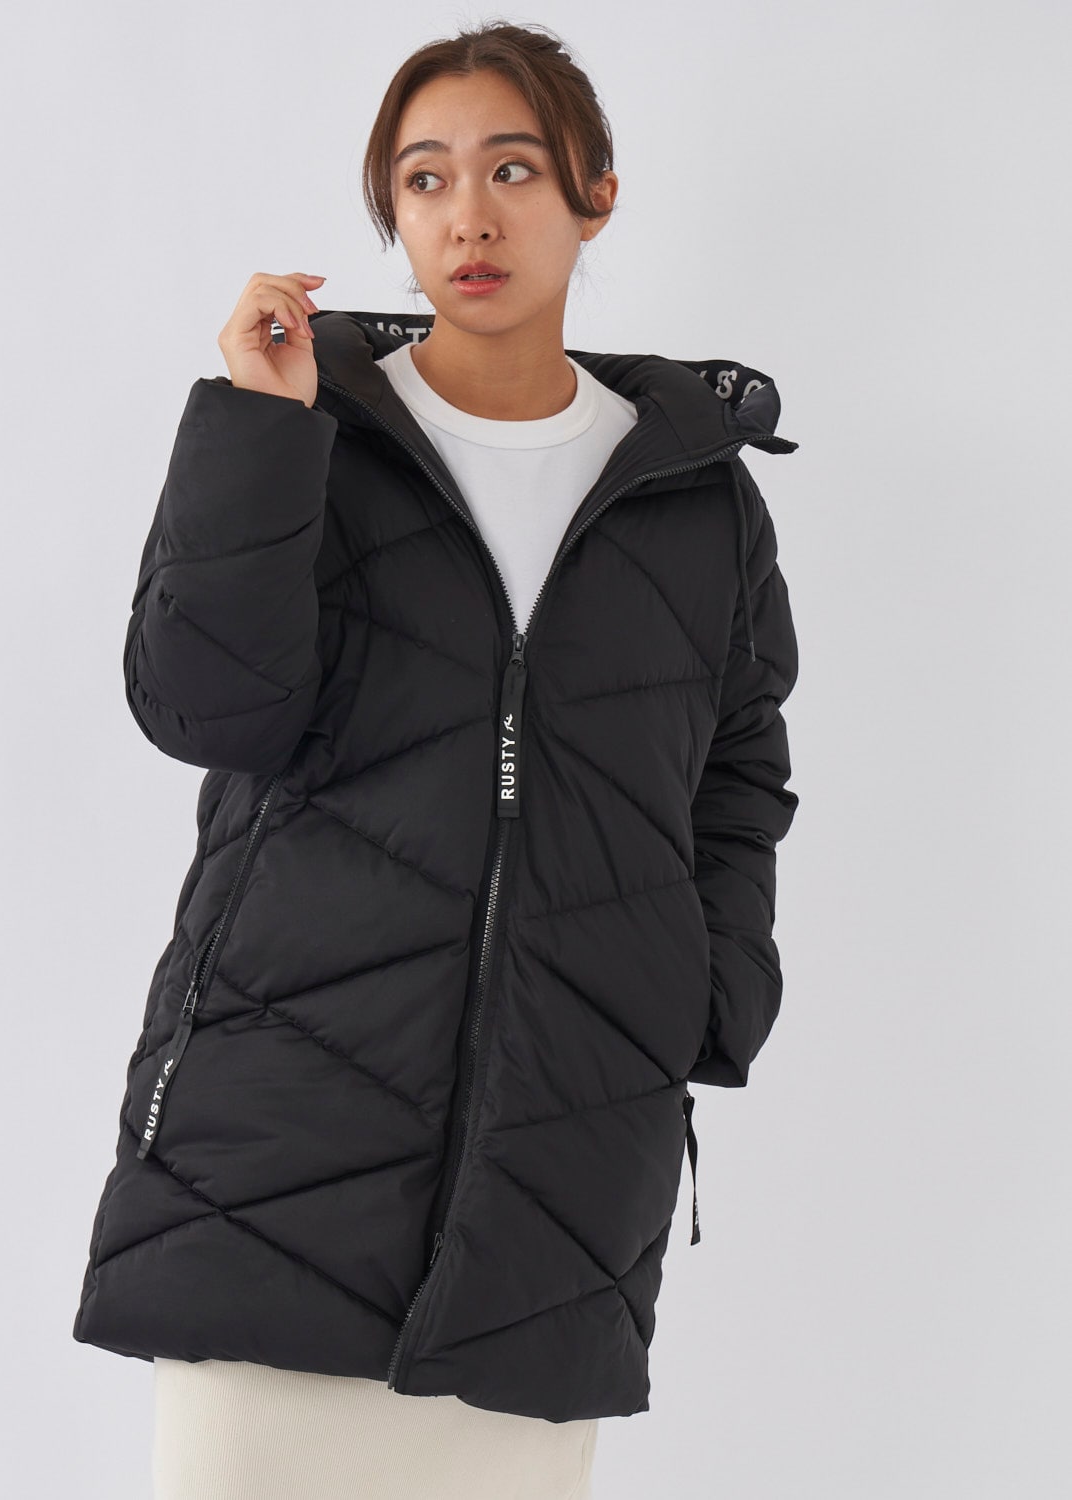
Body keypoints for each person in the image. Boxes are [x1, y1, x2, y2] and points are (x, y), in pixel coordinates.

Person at [73, 20, 801, 1500]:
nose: (468, 214)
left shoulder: (695, 497)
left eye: (512, 170)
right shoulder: (311, 433)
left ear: (594, 195)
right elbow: (205, 712)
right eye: (425, 179)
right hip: (274, 1142)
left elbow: (737, 772)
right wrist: (256, 433)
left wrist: (704, 996)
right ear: (393, 218)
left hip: (562, 1171)